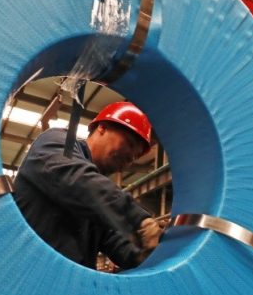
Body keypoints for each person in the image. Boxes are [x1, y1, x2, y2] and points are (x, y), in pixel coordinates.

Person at [14, 100, 163, 270]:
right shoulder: (57, 142)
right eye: (129, 143)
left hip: (68, 286)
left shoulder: (100, 202)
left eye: (135, 157)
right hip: (26, 275)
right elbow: (79, 181)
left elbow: (115, 242)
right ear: (102, 127)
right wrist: (138, 219)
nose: (130, 158)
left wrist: (148, 250)